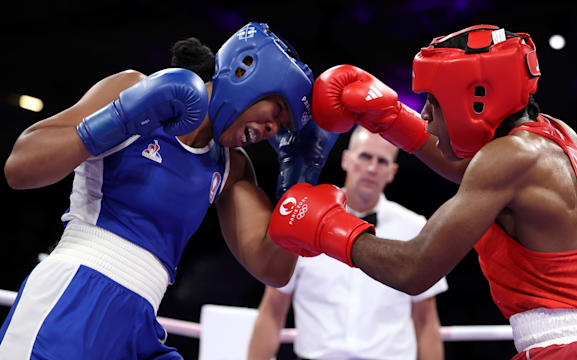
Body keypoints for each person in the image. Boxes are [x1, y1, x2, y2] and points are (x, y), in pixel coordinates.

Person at [268, 25, 577, 359]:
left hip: (571, 352)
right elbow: (469, 171)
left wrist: (325, 227)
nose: (426, 114)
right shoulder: (555, 135)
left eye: (433, 99)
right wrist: (390, 118)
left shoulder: (511, 156)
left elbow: (414, 269)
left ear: (477, 97)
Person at [0, 22, 337, 359]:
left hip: (138, 323)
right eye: (276, 111)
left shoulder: (232, 168)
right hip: (72, 299)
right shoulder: (134, 88)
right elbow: (19, 167)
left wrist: (300, 181)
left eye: (281, 127)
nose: (271, 129)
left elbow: (274, 269)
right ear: (245, 73)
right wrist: (122, 117)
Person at [248, 126, 447, 360]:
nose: (372, 168)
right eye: (365, 156)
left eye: (382, 161)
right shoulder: (303, 219)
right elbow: (273, 310)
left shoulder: (413, 227)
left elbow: (426, 321)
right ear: (346, 160)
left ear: (392, 172)